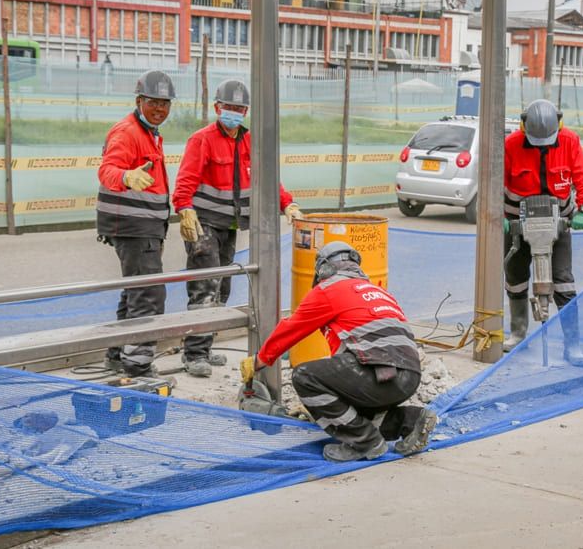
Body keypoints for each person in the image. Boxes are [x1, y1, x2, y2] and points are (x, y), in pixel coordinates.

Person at [240, 241, 437, 463]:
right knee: (353, 410)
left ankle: (365, 443)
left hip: (378, 374)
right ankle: (411, 421)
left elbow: (291, 329)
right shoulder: (378, 291)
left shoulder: (329, 290)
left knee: (305, 376)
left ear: (323, 268)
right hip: (408, 375)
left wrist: (259, 360)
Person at [173, 79, 303, 377]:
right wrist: (184, 209)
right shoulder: (202, 139)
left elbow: (267, 177)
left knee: (223, 288)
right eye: (229, 107)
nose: (233, 112)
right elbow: (186, 179)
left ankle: (203, 348)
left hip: (230, 225)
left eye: (239, 108)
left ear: (246, 111)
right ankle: (194, 354)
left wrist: (287, 204)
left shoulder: (249, 141)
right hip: (204, 225)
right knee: (205, 287)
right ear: (217, 108)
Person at [503, 98, 583, 365]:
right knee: (516, 278)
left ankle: (573, 345)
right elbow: (495, 182)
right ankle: (518, 334)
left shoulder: (569, 141)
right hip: (517, 223)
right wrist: (502, 218)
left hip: (558, 222)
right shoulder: (511, 145)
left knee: (564, 281)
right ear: (523, 127)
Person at [96, 70, 175, 377]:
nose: (160, 109)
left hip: (143, 226)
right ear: (139, 100)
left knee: (134, 292)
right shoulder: (127, 132)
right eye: (154, 102)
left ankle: (117, 355)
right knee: (149, 294)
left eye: (165, 104)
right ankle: (137, 366)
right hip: (132, 226)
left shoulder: (150, 132)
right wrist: (126, 177)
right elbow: (107, 170)